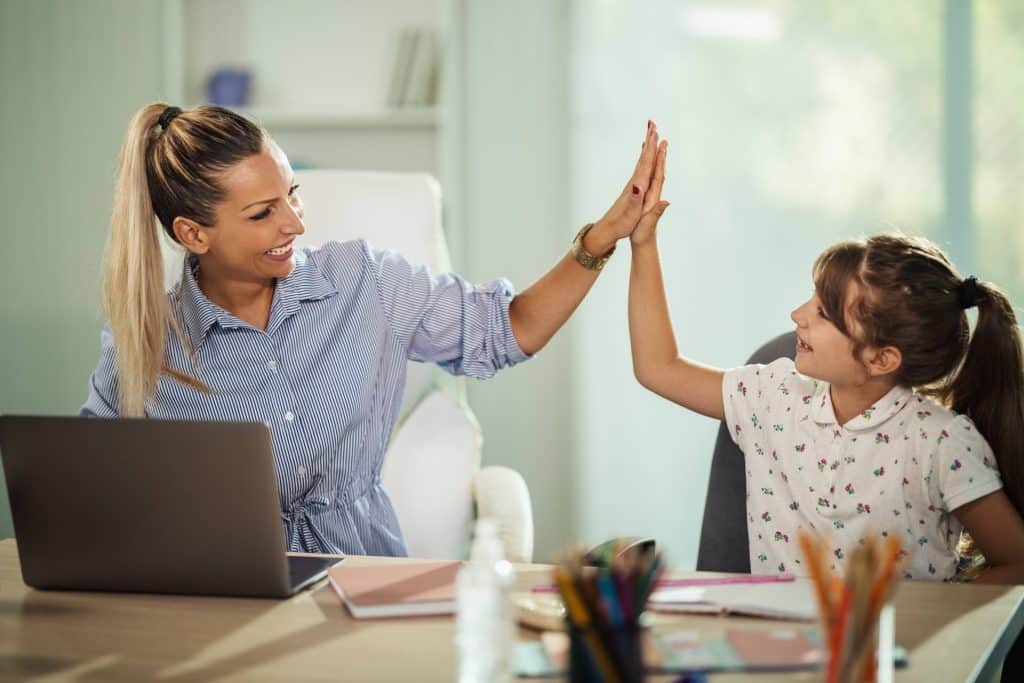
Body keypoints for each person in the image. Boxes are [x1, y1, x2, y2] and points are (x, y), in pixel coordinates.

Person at [81, 103, 666, 555]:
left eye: (292, 195)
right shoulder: (143, 343)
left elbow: (509, 328)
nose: (295, 222)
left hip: (359, 586)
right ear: (193, 235)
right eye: (262, 214)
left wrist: (601, 239)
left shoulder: (366, 283)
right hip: (215, 604)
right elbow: (90, 499)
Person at [628, 139, 1024, 583]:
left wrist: (931, 615)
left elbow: (1017, 563)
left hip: (890, 652)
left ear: (881, 358)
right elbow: (657, 368)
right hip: (780, 647)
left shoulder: (940, 444)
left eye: (822, 313)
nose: (797, 316)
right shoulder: (771, 398)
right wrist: (642, 243)